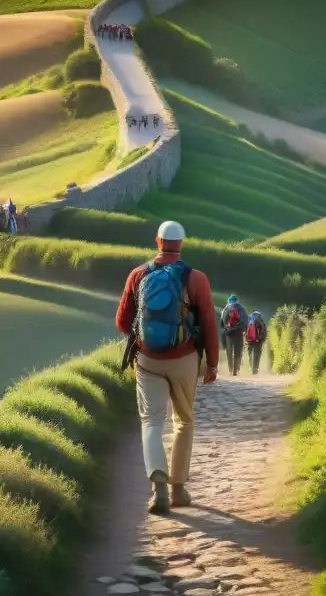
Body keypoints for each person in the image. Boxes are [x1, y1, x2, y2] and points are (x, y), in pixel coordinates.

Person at [115, 220, 220, 515]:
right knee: (184, 420)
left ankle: (158, 487)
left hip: (148, 360)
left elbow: (122, 323)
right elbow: (210, 323)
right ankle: (178, 489)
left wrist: (148, 336)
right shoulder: (196, 278)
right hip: (185, 358)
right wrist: (212, 362)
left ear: (157, 241)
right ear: (182, 244)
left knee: (151, 422)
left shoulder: (138, 275)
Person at [220, 295, 247, 376]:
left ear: (229, 300)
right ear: (237, 300)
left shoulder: (225, 309)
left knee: (229, 351)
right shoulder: (242, 308)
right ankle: (237, 370)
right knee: (238, 351)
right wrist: (243, 329)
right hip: (238, 333)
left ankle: (230, 369)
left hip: (228, 333)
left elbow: (221, 323)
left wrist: (226, 328)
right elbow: (245, 321)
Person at [245, 311, 267, 375]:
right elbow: (264, 332)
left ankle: (252, 368)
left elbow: (246, 332)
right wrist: (262, 339)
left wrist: (246, 341)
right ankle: (256, 369)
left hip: (250, 341)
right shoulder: (261, 322)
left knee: (250, 355)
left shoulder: (250, 322)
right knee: (257, 356)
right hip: (258, 342)